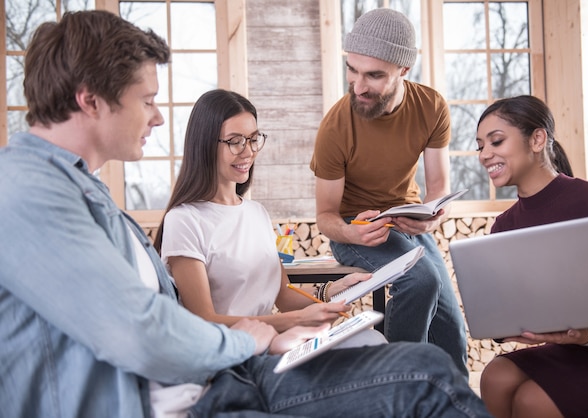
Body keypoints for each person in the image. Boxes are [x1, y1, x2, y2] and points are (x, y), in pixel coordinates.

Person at [0, 10, 493, 418]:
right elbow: (141, 331)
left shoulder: (80, 189)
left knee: (426, 365)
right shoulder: (29, 191)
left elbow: (176, 312)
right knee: (426, 379)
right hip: (209, 388)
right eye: (147, 100)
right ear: (90, 100)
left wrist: (290, 321)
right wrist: (253, 339)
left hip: (221, 376)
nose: (156, 116)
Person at [153, 89, 385, 347]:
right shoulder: (185, 220)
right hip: (233, 355)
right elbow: (204, 320)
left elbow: (283, 295)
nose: (248, 151)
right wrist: (295, 320)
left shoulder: (256, 213)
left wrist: (335, 288)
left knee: (373, 339)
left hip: (272, 344)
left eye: (253, 139)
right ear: (205, 144)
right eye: (235, 141)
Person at [310, 7, 468, 377]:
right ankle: (398, 383)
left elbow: (438, 187)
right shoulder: (335, 128)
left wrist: (429, 217)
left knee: (452, 335)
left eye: (374, 75)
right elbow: (326, 216)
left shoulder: (430, 107)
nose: (358, 86)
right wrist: (351, 232)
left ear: (404, 71)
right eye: (352, 70)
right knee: (421, 279)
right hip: (355, 229)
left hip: (406, 222)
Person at [475, 95, 588, 418]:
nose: (485, 154)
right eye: (479, 146)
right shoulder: (505, 226)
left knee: (533, 401)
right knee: (495, 376)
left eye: (496, 141)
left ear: (537, 139)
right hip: (572, 348)